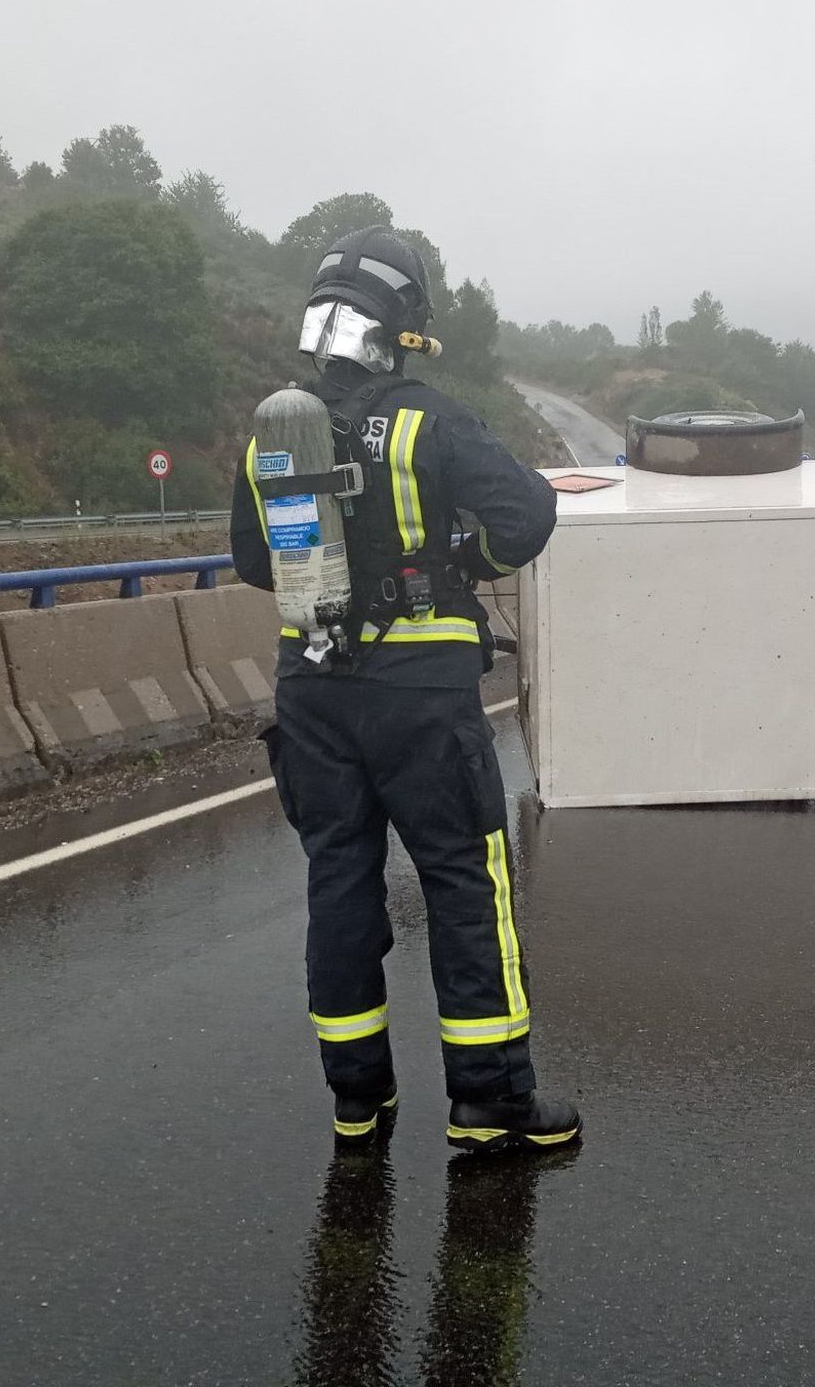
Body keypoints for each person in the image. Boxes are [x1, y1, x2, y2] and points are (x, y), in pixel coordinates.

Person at [231, 225, 581, 1154]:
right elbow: (529, 514)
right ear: (405, 323)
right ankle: (492, 1102)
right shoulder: (429, 418)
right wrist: (460, 558)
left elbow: (252, 561)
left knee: (339, 883)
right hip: (420, 689)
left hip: (312, 689)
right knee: (466, 882)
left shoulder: (277, 428)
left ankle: (358, 1099)